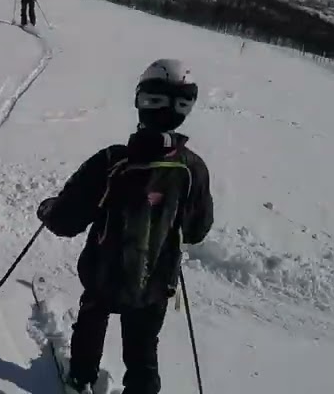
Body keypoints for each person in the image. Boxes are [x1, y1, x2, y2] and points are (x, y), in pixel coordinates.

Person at [35, 59, 214, 394]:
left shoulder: (112, 161)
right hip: (156, 281)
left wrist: (47, 210)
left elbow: (66, 219)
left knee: (92, 319)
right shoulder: (192, 168)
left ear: (142, 102)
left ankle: (81, 378)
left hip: (104, 274)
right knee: (143, 345)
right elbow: (196, 230)